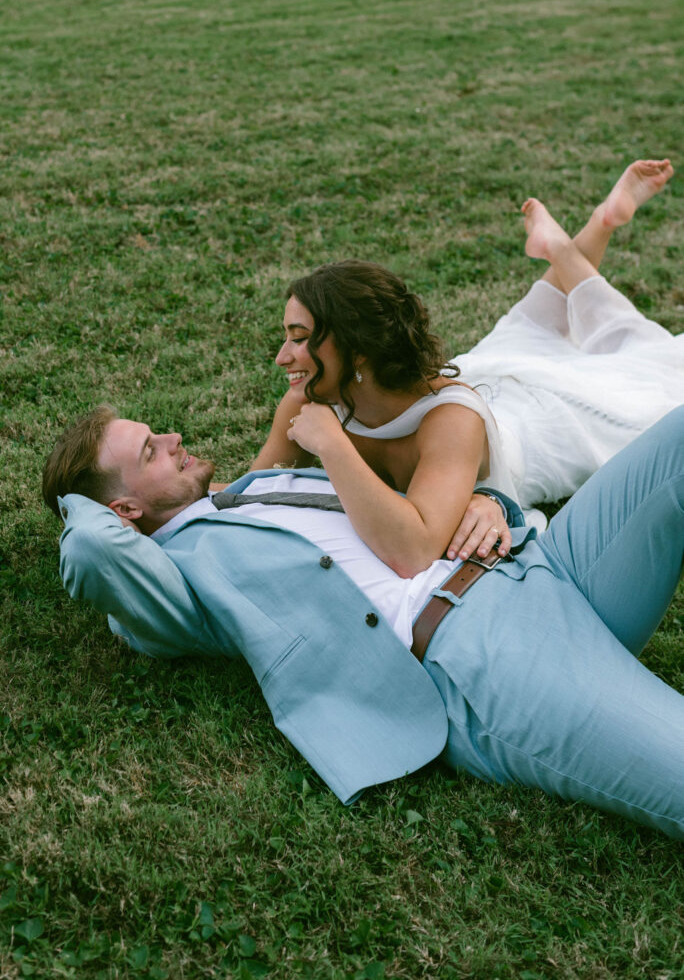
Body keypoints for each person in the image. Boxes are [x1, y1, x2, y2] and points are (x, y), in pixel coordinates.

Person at [43, 403, 684, 839]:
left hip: (545, 562)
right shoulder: (178, 585)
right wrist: (83, 502)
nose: (175, 439)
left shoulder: (253, 490)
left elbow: (411, 514)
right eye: (152, 451)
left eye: (159, 433)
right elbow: (93, 549)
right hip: (484, 654)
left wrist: (489, 503)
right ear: (123, 509)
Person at [253, 159, 681, 574]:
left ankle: (571, 244)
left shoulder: (448, 420)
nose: (283, 356)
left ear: (357, 347)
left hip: (544, 426)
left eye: (299, 337)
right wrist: (190, 494)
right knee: (535, 323)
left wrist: (332, 444)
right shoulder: (307, 402)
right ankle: (577, 239)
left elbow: (414, 550)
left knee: (656, 378)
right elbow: (250, 495)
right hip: (481, 378)